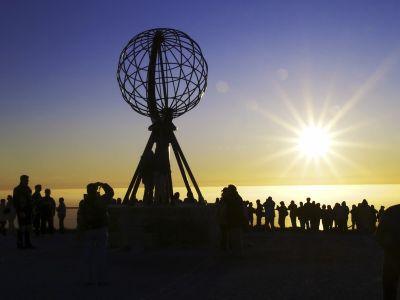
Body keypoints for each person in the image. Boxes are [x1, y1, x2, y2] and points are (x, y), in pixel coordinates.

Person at [77, 182, 114, 285]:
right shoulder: (101, 201)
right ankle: (101, 279)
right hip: (101, 229)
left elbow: (80, 218)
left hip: (89, 230)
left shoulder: (83, 203)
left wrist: (80, 231)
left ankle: (87, 279)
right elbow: (111, 192)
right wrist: (103, 184)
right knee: (101, 255)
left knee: (88, 256)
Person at [376, 204, 400, 300]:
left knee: (389, 288)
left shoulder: (391, 211)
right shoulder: (391, 211)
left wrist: (388, 246)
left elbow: (379, 234)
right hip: (391, 254)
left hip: (391, 255)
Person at [13, 175, 34, 249]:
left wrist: (32, 209)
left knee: (28, 227)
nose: (28, 181)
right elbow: (15, 201)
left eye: (28, 180)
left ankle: (27, 243)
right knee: (22, 227)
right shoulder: (17, 189)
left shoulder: (28, 188)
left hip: (28, 210)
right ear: (22, 180)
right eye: (26, 180)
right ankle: (20, 244)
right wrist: (20, 211)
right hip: (21, 210)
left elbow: (30, 199)